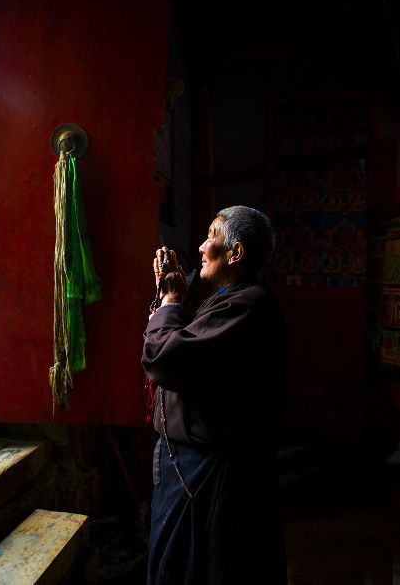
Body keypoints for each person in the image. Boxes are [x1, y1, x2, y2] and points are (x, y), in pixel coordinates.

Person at [142, 205, 288, 585]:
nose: (202, 247)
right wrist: (174, 299)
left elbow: (164, 358)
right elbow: (194, 350)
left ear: (235, 253)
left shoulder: (248, 306)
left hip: (211, 472)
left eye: (211, 236)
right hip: (191, 465)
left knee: (197, 568)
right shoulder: (229, 301)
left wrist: (171, 303)